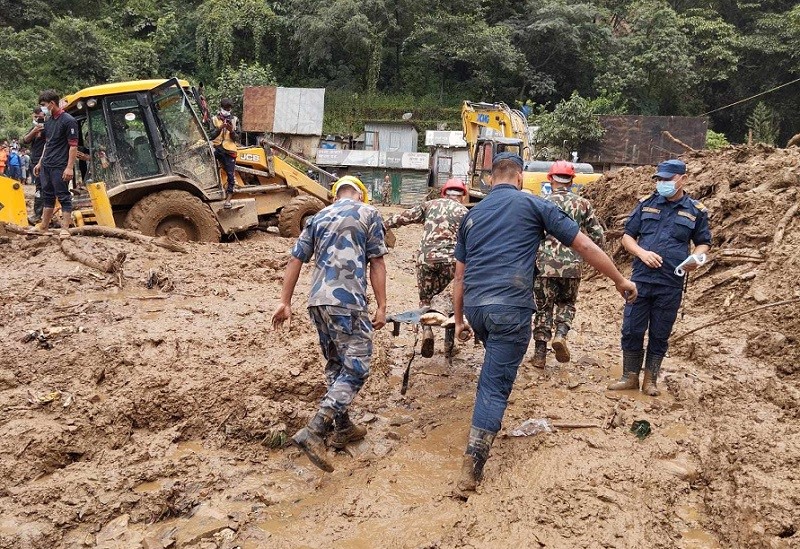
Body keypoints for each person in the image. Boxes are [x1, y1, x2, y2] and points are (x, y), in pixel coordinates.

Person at [452, 152, 637, 493]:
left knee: (492, 367)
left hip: (476, 307)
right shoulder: (534, 205)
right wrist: (619, 281)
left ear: (491, 179)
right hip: (510, 306)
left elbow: (459, 277)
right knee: (495, 385)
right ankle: (472, 466)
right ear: (520, 178)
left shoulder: (471, 216)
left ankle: (482, 420)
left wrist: (460, 319)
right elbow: (584, 244)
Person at [272, 175, 388, 472]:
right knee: (358, 368)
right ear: (361, 195)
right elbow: (377, 262)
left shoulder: (319, 216)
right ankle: (315, 430)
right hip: (347, 302)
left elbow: (295, 259)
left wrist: (285, 302)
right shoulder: (368, 213)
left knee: (337, 365)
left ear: (335, 196)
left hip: (317, 303)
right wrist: (383, 305)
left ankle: (343, 427)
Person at [608, 159, 711, 396]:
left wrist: (696, 259)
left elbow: (704, 243)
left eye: (668, 179)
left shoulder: (696, 211)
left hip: (670, 282)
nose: (662, 184)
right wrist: (642, 253)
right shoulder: (646, 205)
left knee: (660, 332)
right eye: (659, 180)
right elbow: (627, 237)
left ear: (683, 179)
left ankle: (650, 380)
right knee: (632, 328)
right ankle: (629, 376)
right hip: (641, 280)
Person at [531, 161, 605, 368]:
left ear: (550, 179)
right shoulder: (583, 204)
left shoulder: (541, 203)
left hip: (544, 265)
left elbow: (531, 235)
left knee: (543, 308)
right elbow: (597, 236)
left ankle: (539, 355)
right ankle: (561, 336)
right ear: (572, 181)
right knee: (566, 303)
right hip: (572, 266)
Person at [384, 178, 468, 357]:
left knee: (425, 300)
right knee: (452, 301)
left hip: (426, 260)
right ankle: (449, 345)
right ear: (462, 196)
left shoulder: (430, 205)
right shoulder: (464, 212)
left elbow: (404, 217)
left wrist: (384, 224)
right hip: (452, 261)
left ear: (444, 193)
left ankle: (427, 332)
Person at [32, 90, 79, 234]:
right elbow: (48, 144)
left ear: (52, 103)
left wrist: (69, 167)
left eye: (44, 105)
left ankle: (65, 229)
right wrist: (40, 162)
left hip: (60, 165)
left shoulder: (68, 120)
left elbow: (73, 146)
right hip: (47, 164)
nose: (43, 108)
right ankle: (44, 226)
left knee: (63, 195)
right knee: (48, 196)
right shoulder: (49, 121)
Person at [208, 98, 240, 208]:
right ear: (221, 108)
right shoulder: (214, 119)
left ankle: (228, 200)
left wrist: (231, 131)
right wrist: (220, 128)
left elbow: (237, 138)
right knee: (207, 167)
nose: (227, 110)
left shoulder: (235, 120)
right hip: (216, 148)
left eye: (229, 109)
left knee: (231, 175)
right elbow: (210, 135)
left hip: (229, 150)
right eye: (226, 108)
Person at [23, 107, 48, 224]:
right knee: (39, 188)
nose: (38, 118)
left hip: (46, 160)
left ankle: (44, 215)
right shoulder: (34, 128)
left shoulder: (49, 126)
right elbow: (25, 140)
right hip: (35, 161)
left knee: (46, 187)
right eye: (36, 116)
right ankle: (38, 214)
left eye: (40, 116)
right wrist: (35, 130)